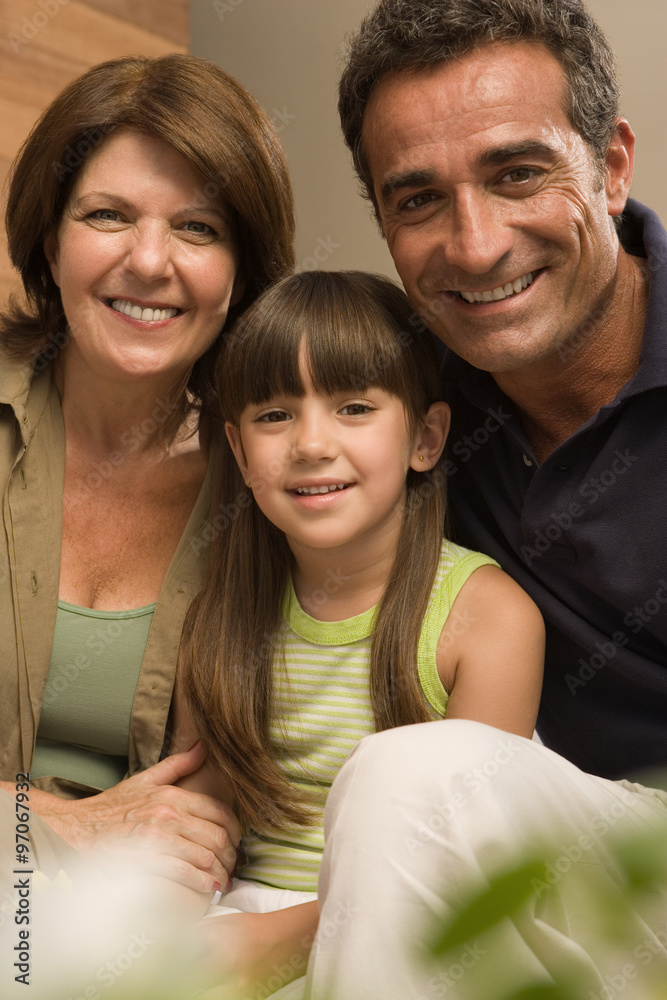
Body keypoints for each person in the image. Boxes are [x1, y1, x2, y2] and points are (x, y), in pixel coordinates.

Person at [291, 1, 667, 997]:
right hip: (568, 841)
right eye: (417, 200)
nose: (473, 243)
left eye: (516, 173)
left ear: (612, 164)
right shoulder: (413, 412)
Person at [175, 269, 545, 996]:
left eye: (352, 407)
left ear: (426, 437)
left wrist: (275, 944)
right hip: (241, 918)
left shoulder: (486, 618)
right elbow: (199, 826)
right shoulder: (218, 615)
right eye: (275, 416)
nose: (311, 444)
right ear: (240, 450)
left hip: (422, 926)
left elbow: (464, 861)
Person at [0, 52, 293, 939]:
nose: (151, 261)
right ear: (50, 241)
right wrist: (64, 823)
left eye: (199, 228)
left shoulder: (278, 474)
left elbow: (197, 831)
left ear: (242, 268)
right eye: (107, 215)